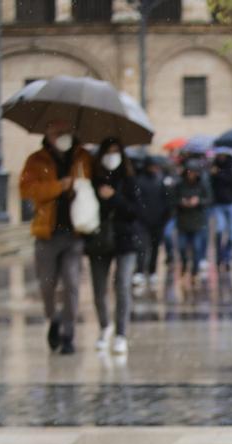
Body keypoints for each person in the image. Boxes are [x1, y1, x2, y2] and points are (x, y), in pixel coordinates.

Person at [20, 119, 94, 355]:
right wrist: (58, 186)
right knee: (47, 286)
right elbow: (27, 190)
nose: (62, 135)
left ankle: (69, 333)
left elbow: (92, 184)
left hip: (74, 232)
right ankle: (54, 319)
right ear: (48, 132)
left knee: (72, 285)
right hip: (46, 232)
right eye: (58, 131)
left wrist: (79, 187)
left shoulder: (82, 158)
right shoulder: (36, 160)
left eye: (66, 131)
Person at [86, 138, 142, 355]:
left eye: (115, 151)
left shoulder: (129, 179)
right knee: (99, 288)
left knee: (122, 285)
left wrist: (115, 197)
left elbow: (136, 210)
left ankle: (121, 333)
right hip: (98, 241)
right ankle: (104, 326)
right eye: (108, 151)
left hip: (125, 240)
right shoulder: (93, 180)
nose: (112, 155)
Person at [134, 156, 174, 291]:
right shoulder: (140, 181)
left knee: (155, 247)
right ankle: (139, 271)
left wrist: (165, 217)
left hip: (158, 221)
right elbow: (137, 202)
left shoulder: (161, 181)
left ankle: (152, 271)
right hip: (142, 221)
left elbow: (167, 201)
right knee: (141, 247)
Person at [173, 160, 213, 283]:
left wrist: (198, 201)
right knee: (182, 247)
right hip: (183, 221)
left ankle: (195, 271)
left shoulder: (202, 184)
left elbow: (209, 199)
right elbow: (173, 200)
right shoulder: (179, 185)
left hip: (197, 221)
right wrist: (182, 202)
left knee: (197, 247)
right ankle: (185, 265)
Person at [210, 153, 232, 272]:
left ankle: (227, 258)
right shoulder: (214, 165)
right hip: (218, 204)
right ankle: (219, 257)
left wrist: (218, 173)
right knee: (219, 230)